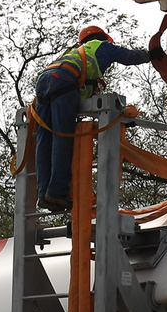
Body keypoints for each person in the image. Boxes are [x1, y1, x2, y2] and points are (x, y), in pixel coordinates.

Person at [31, 24, 158, 211]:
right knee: (63, 137)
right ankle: (57, 192)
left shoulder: (73, 53)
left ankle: (43, 194)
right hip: (65, 81)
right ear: (102, 38)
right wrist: (151, 55)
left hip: (43, 82)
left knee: (45, 140)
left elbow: (82, 91)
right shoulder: (101, 45)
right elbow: (129, 56)